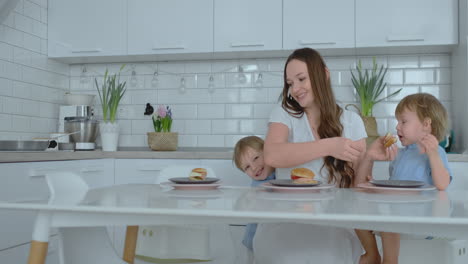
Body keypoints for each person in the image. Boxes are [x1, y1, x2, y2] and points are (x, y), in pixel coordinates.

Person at [254, 47, 368, 264]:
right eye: (290, 83)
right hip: (286, 220)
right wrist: (329, 145)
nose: (295, 89)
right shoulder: (284, 113)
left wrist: (370, 157)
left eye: (301, 79)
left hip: (333, 223)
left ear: (323, 74)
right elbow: (272, 155)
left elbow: (356, 190)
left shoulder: (352, 122)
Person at [355, 93, 452, 264]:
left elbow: (443, 184)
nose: (397, 127)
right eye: (397, 121)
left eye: (403, 121)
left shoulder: (436, 153)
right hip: (398, 215)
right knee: (357, 214)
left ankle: (390, 261)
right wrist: (369, 160)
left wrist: (433, 155)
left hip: (423, 219)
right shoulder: (400, 154)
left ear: (426, 125)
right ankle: (372, 254)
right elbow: (360, 187)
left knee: (389, 224)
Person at [233, 136, 275, 252]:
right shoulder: (259, 186)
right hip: (254, 240)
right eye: (246, 167)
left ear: (267, 151)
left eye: (256, 158)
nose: (254, 167)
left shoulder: (279, 172)